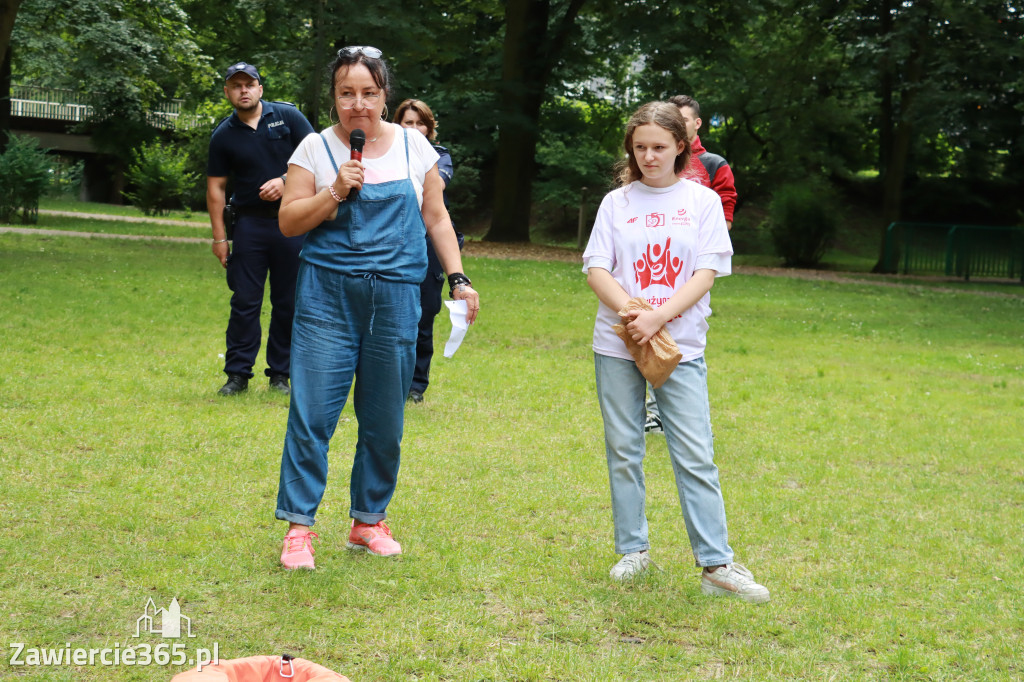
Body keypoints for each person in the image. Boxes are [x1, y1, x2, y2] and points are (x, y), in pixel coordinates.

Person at [273, 46, 480, 570]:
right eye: (346, 94)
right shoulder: (313, 149)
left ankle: (368, 521)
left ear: (384, 95)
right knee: (312, 415)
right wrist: (334, 193)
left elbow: (436, 219)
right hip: (327, 299)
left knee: (385, 419)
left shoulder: (416, 148)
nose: (357, 104)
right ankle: (300, 528)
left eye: (368, 93)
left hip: (395, 299)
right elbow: (290, 222)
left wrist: (458, 278)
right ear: (334, 98)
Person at [582, 101, 768, 602]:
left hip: (680, 346)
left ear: (680, 147)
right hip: (618, 342)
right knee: (624, 448)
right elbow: (597, 267)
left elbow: (707, 272)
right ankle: (633, 552)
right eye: (639, 147)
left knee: (695, 454)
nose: (648, 156)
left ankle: (716, 566)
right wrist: (632, 314)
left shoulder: (702, 202)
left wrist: (658, 317)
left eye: (659, 147)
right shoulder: (615, 203)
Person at [207, 62, 315, 396]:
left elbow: (319, 159)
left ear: (260, 89)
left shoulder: (289, 117)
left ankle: (280, 375)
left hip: (292, 221)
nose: (243, 90)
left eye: (249, 84)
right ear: (227, 92)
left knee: (288, 302)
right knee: (245, 301)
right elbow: (215, 189)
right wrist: (219, 238)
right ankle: (237, 375)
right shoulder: (223, 135)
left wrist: (285, 181)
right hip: (250, 224)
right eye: (236, 86)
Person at [644, 94, 738, 433]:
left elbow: (725, 206)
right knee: (652, 329)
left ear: (696, 124)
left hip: (695, 268)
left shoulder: (712, 163)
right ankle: (657, 412)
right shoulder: (652, 160)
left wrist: (706, 250)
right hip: (655, 264)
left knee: (685, 336)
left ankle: (691, 419)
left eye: (682, 119)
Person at [393, 98, 463, 404]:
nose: (414, 128)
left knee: (424, 313)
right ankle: (388, 380)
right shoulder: (384, 155)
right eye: (407, 123)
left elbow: (435, 190)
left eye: (420, 123)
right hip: (392, 242)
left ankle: (416, 384)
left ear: (430, 128)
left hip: (429, 245)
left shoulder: (440, 156)